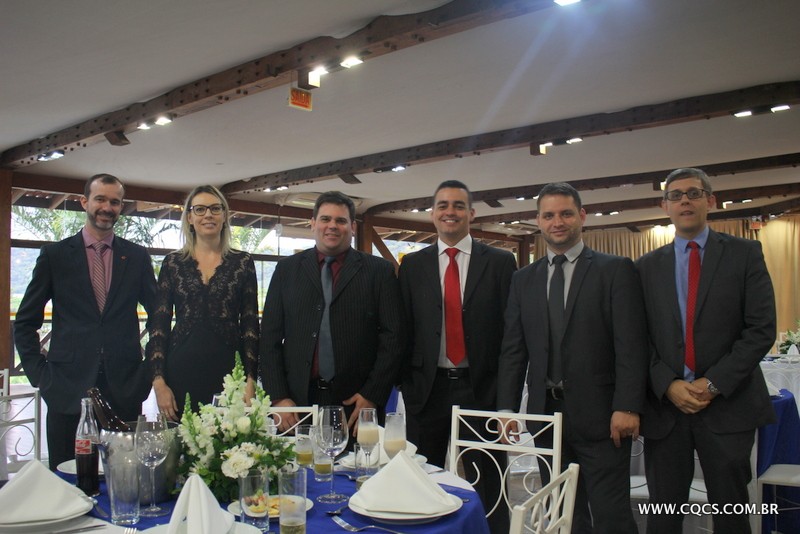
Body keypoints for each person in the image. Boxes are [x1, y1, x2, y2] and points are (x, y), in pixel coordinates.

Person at [497, 182, 648, 533]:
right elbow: (514, 349)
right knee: (564, 513)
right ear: (538, 221)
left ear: (582, 215)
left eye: (566, 213)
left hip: (603, 417)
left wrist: (627, 406)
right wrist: (506, 408)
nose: (557, 222)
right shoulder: (523, 279)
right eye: (548, 215)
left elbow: (631, 345)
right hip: (546, 418)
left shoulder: (615, 270)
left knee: (611, 516)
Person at [636, 168, 776, 534]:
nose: (685, 201)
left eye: (694, 193)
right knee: (664, 514)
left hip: (729, 405)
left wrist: (712, 383)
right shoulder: (645, 267)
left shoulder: (745, 254)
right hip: (667, 409)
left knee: (731, 513)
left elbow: (761, 329)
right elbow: (637, 338)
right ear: (665, 206)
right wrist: (668, 384)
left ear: (710, 201)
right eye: (676, 195)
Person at [14, 173, 157, 470]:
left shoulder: (136, 257)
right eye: (100, 199)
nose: (107, 207)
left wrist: (148, 371)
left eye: (114, 202)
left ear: (121, 207)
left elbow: (160, 317)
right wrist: (40, 375)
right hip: (66, 388)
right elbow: (25, 321)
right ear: (84, 202)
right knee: (67, 477)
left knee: (125, 476)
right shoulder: (55, 256)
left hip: (124, 387)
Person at [399, 180, 516, 533]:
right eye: (443, 205)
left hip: (481, 390)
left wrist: (505, 400)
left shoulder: (500, 262)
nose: (450, 212)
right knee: (422, 481)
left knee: (489, 482)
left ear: (471, 213)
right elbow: (403, 328)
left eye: (458, 205)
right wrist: (407, 384)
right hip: (427, 390)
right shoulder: (412, 265)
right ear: (432, 214)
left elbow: (511, 332)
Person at [260, 191, 404, 432]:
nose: (332, 226)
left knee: (359, 458)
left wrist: (372, 394)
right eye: (325, 219)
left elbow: (394, 337)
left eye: (341, 220)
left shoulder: (379, 272)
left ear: (353, 227)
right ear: (313, 223)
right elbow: (269, 339)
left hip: (357, 403)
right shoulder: (286, 271)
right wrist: (278, 397)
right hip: (296, 404)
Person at [147, 185, 259, 420]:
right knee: (182, 440)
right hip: (181, 371)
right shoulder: (173, 263)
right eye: (200, 209)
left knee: (230, 440)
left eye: (215, 208)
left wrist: (251, 380)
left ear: (224, 215)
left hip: (230, 373)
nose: (208, 214)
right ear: (189, 217)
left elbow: (250, 325)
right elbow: (159, 326)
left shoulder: (243, 263)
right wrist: (158, 383)